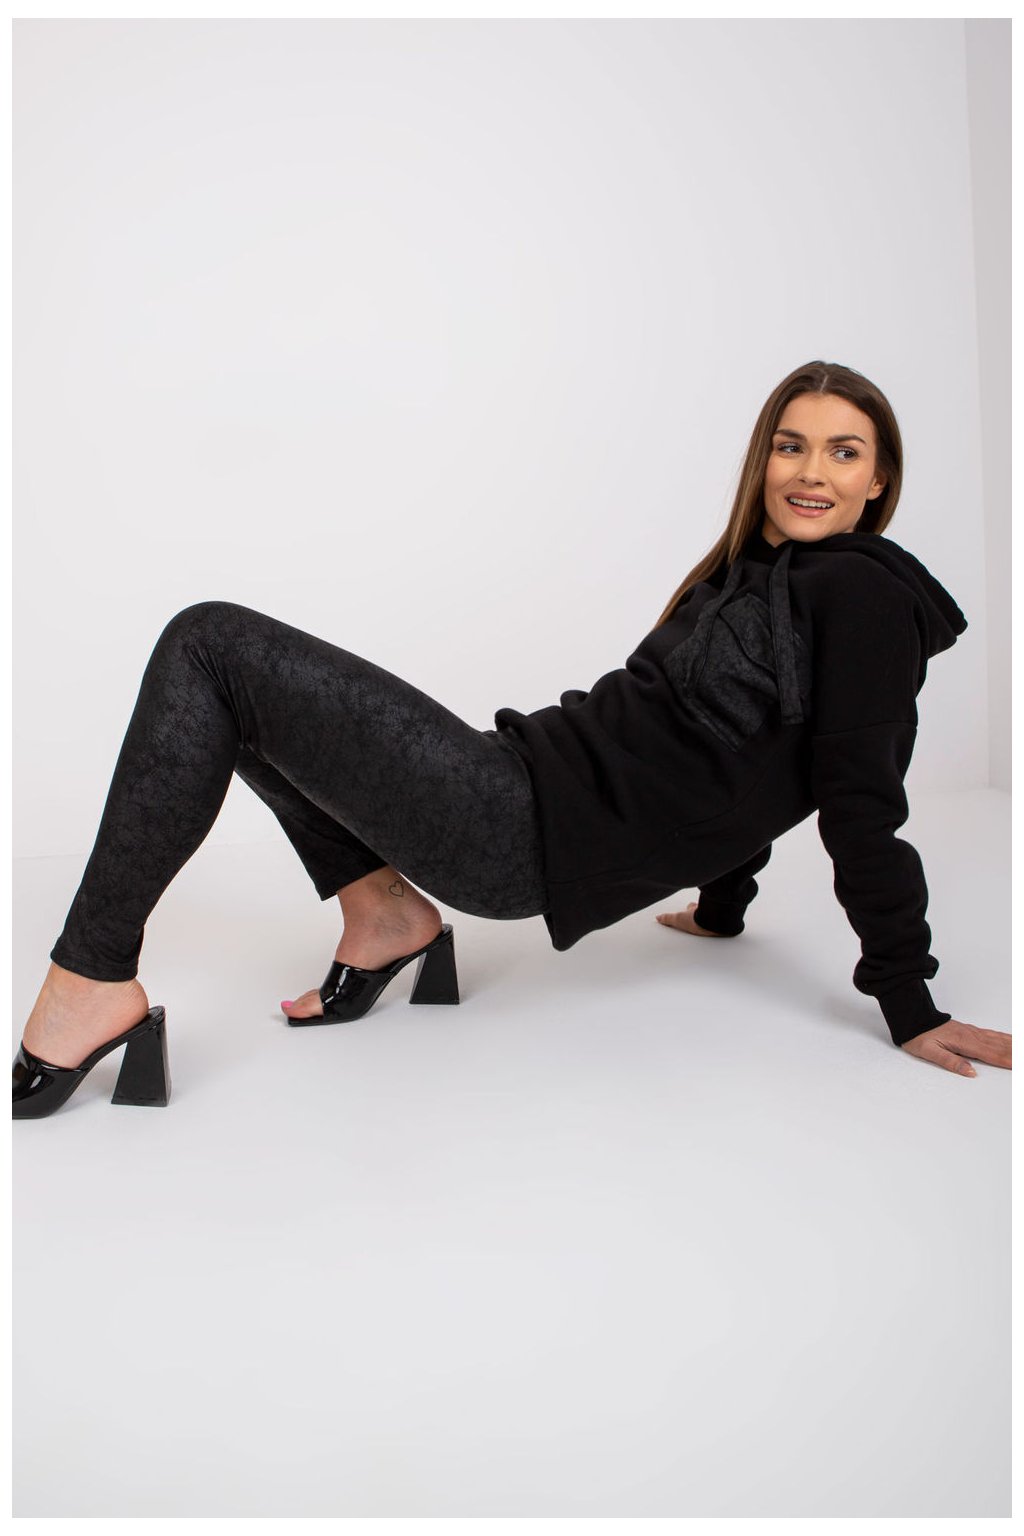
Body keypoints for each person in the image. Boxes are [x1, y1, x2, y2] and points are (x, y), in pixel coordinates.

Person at [13, 360, 1011, 1118]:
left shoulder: (863, 599)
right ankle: (384, 920)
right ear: (763, 461)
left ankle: (89, 978)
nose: (812, 471)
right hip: (516, 778)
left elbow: (857, 802)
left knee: (209, 645)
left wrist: (908, 1002)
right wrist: (722, 905)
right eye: (791, 445)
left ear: (879, 479)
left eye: (844, 452)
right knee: (235, 695)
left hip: (517, 832)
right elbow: (732, 759)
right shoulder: (754, 571)